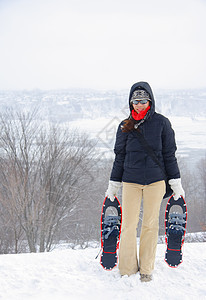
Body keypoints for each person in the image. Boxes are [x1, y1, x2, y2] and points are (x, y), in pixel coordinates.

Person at [105, 81, 185, 282]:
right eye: (135, 101)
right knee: (128, 225)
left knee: (150, 225)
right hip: (130, 181)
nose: (139, 105)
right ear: (131, 103)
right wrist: (113, 185)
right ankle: (127, 268)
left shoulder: (162, 123)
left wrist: (175, 182)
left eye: (143, 100)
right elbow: (120, 157)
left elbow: (169, 155)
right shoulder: (125, 126)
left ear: (150, 100)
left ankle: (147, 269)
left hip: (155, 181)